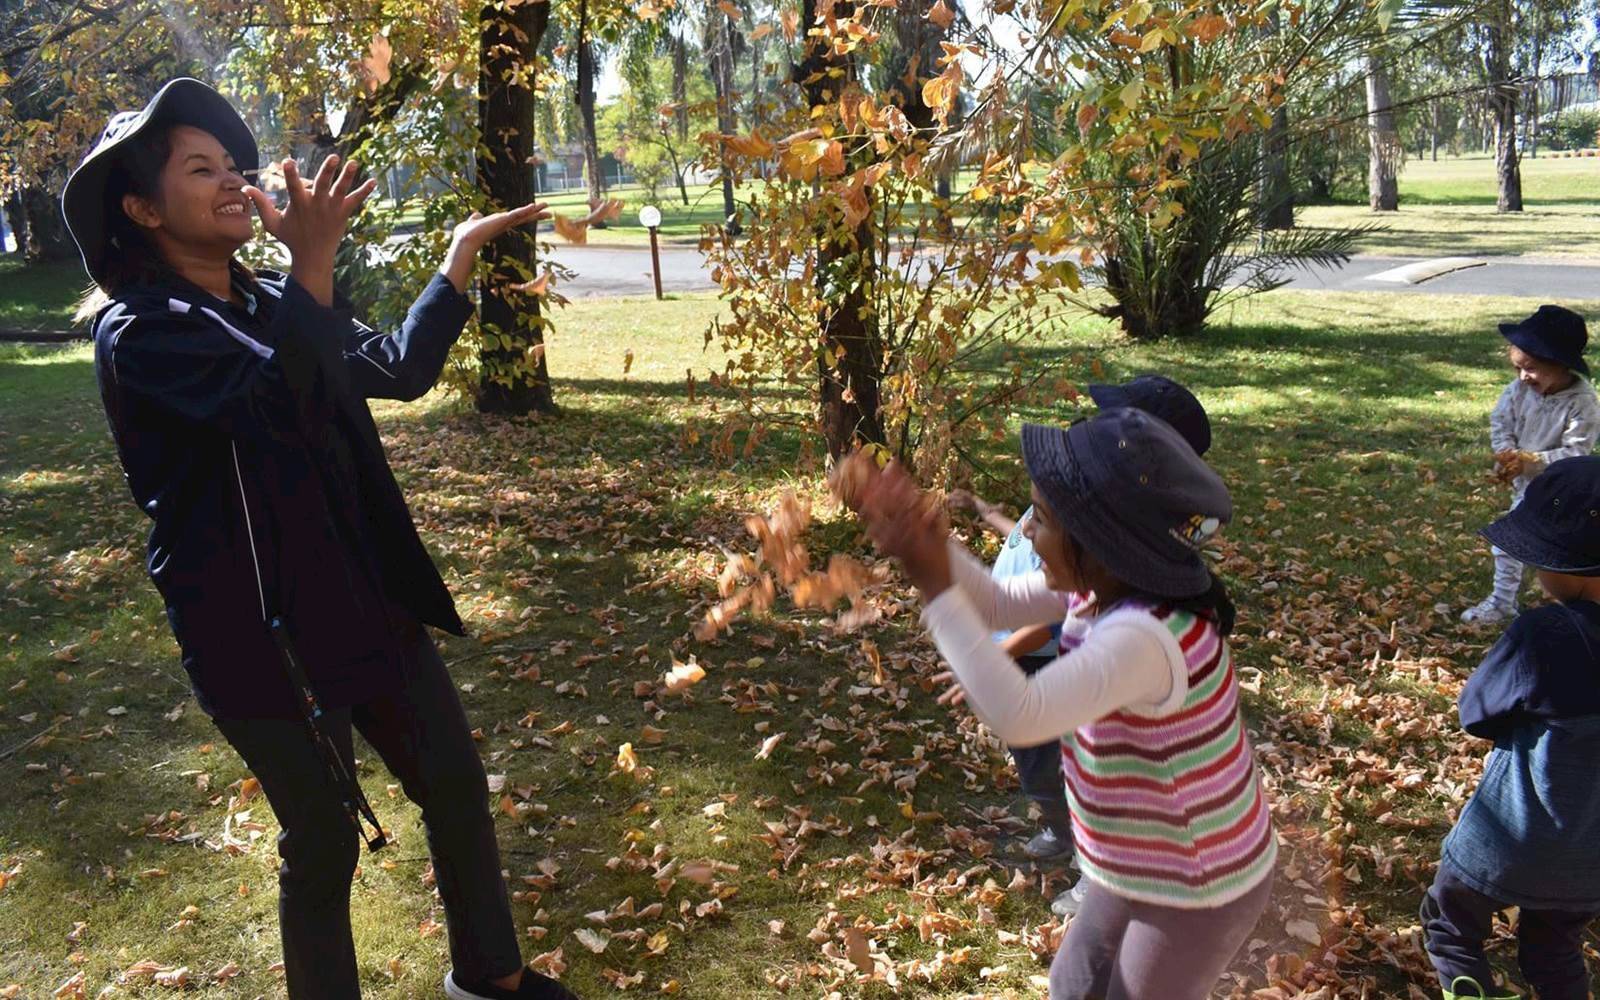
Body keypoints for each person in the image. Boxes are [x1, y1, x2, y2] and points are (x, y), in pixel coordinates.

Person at [62, 78, 577, 1000]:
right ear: (141, 208)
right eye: (197, 168)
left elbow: (398, 368)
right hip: (257, 636)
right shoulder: (139, 334)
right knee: (325, 837)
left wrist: (455, 259)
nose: (229, 178)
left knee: (454, 782)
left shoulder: (268, 301)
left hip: (361, 596)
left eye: (231, 163)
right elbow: (272, 407)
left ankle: (488, 978)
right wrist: (313, 266)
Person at [848, 408, 1274, 1000]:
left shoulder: (1146, 638)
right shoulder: (1097, 588)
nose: (1023, 534)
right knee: (1073, 985)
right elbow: (995, 604)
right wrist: (927, 545)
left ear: (1103, 544)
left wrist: (933, 583)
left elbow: (1020, 713)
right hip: (1136, 856)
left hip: (1202, 880)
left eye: (1040, 519)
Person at [946, 375, 1215, 894]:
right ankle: (1090, 858)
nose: (1092, 429)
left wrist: (997, 656)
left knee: (1091, 773)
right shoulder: (1088, 520)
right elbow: (1003, 597)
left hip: (1143, 838)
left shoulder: (1126, 605)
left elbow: (1043, 626)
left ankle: (1093, 868)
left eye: (1109, 422)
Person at [1421, 456, 1600, 1000]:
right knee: (1554, 948)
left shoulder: (1544, 634)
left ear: (1568, 565)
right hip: (1590, 858)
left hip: (1507, 838)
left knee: (1451, 926)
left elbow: (1476, 711)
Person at [1462, 305, 1600, 624]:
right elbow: (1501, 420)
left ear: (1562, 366)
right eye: (1518, 368)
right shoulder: (1519, 390)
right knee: (1509, 545)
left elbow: (1577, 455)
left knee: (1570, 554)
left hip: (1562, 495)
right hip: (1527, 485)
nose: (1524, 376)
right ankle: (1502, 602)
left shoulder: (1582, 402)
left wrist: (1533, 462)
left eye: (1533, 368)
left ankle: (1579, 606)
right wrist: (1506, 452)